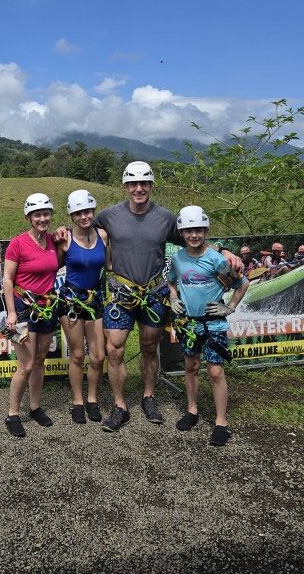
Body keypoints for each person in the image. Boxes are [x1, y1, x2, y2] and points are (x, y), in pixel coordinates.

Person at [54, 160, 242, 432]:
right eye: (133, 184)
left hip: (154, 292)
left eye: (144, 184)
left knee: (149, 347)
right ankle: (120, 406)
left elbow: (195, 236)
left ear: (151, 186)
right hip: (121, 293)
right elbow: (81, 223)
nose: (139, 189)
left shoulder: (166, 218)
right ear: (125, 186)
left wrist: (223, 250)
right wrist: (63, 230)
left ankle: (148, 396)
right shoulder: (108, 216)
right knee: (113, 349)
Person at [168, 205, 248, 447]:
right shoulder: (178, 259)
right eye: (189, 230)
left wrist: (230, 307)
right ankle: (192, 410)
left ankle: (221, 422)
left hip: (213, 324)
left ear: (206, 231)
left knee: (215, 372)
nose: (194, 235)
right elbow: (172, 281)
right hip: (190, 324)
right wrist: (173, 298)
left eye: (199, 230)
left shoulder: (215, 259)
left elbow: (242, 284)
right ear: (181, 233)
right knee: (190, 366)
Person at [3, 192, 60, 437]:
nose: (42, 218)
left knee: (39, 361)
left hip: (46, 307)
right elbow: (7, 279)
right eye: (37, 214)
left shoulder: (52, 241)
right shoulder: (18, 243)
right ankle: (13, 413)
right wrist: (12, 313)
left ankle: (35, 407)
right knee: (25, 365)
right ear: (29, 217)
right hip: (24, 308)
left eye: (46, 214)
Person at [57, 189, 108, 424]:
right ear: (71, 216)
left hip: (95, 299)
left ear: (93, 211)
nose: (84, 217)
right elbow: (51, 265)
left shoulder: (103, 236)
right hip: (71, 301)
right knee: (77, 355)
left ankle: (92, 398)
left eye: (88, 211)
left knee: (98, 356)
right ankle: (77, 401)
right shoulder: (65, 238)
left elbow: (110, 266)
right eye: (78, 213)